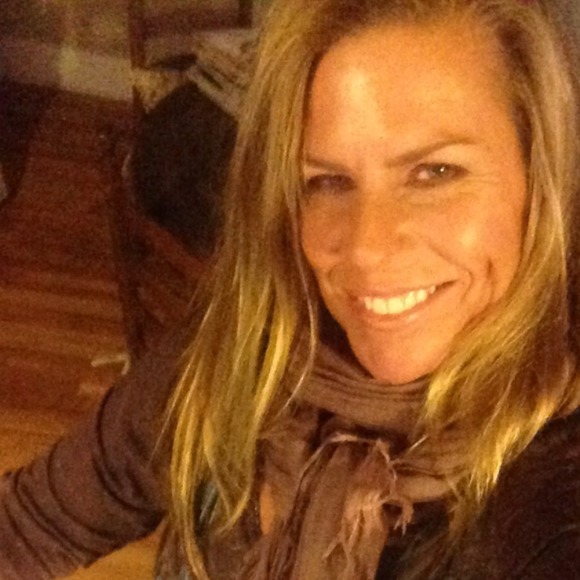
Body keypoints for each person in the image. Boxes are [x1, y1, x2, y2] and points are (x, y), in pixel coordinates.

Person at [1, 0, 580, 578]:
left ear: (540, 179)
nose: (367, 247)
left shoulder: (548, 510)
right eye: (327, 181)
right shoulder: (238, 355)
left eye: (435, 172)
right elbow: (34, 521)